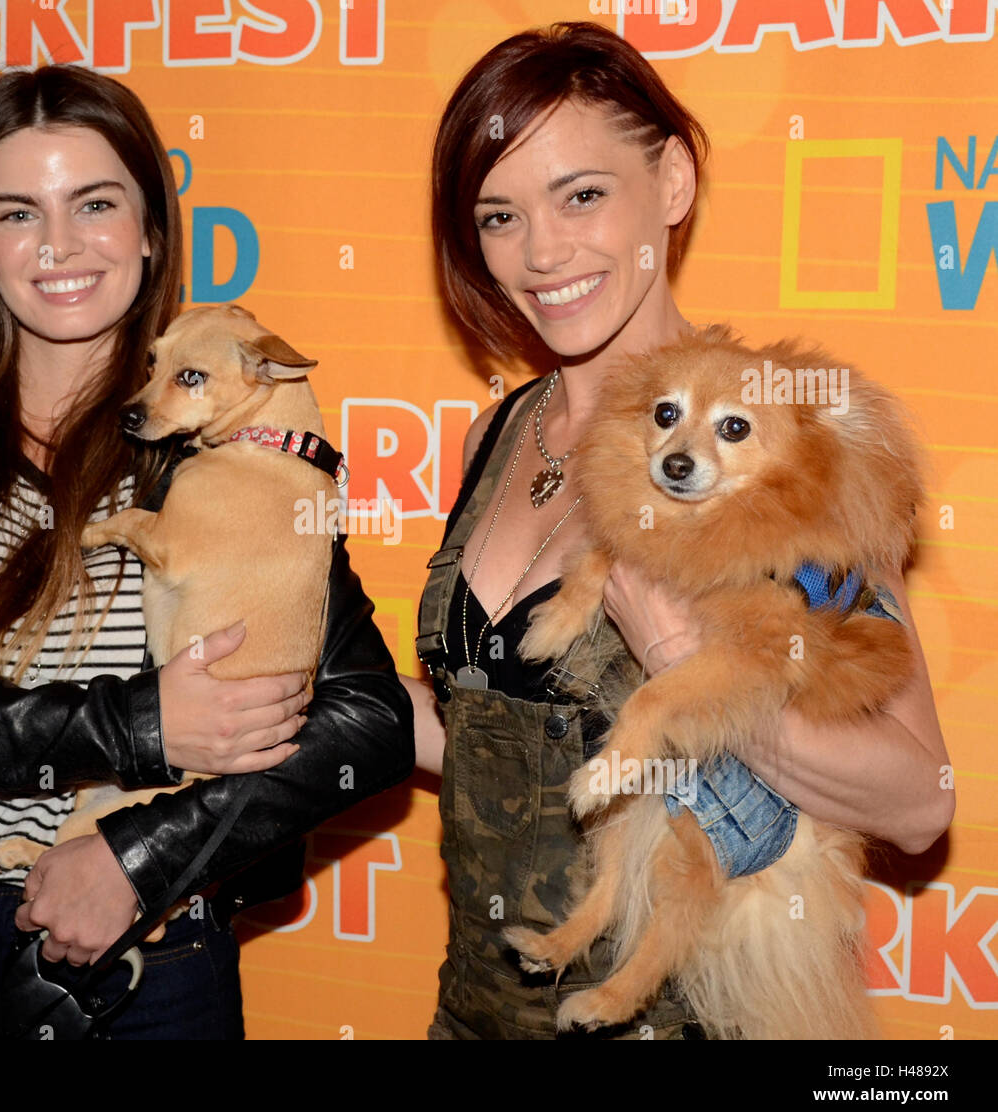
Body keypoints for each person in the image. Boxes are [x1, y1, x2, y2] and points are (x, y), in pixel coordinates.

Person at [0, 64, 414, 1040]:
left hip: (155, 940)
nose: (57, 245)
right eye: (17, 212)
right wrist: (139, 724)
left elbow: (365, 720)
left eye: (93, 203)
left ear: (150, 229)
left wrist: (137, 854)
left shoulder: (228, 439)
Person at [404, 21, 952, 1040]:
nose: (541, 252)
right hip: (478, 1013)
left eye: (581, 195)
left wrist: (672, 655)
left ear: (671, 185)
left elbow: (920, 797)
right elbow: (504, 735)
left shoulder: (787, 438)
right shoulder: (497, 432)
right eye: (498, 215)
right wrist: (315, 705)